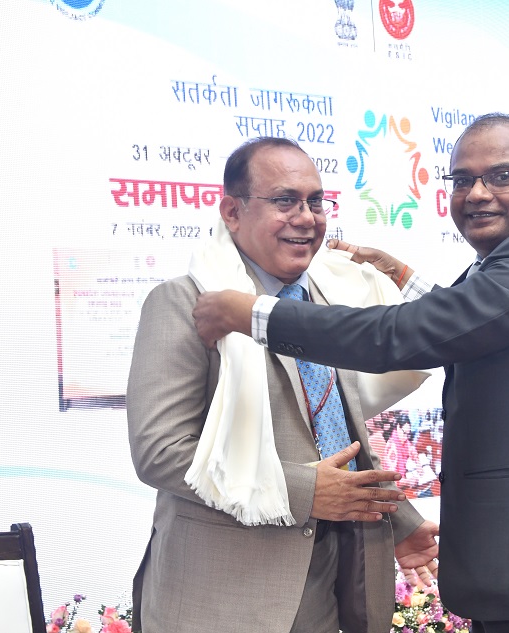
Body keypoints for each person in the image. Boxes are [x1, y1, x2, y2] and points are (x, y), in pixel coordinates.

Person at [192, 114, 509, 632]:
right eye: (462, 180)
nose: (477, 194)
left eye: (500, 176)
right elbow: (477, 328)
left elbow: (407, 335)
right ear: (232, 212)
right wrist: (400, 275)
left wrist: (252, 314)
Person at [126, 136, 438, 633]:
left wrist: (399, 520)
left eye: (316, 201)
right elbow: (161, 452)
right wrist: (304, 491)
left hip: (334, 585)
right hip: (226, 600)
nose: (306, 218)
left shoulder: (329, 301)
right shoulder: (186, 303)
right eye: (285, 201)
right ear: (232, 212)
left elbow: (337, 436)